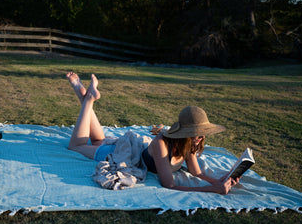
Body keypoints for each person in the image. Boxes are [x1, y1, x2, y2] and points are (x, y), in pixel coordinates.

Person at [66, 72, 238, 194]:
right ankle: (88, 99)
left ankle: (83, 93)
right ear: (185, 133)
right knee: (76, 146)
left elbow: (197, 173)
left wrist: (220, 181)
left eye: (202, 133)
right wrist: (212, 190)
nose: (201, 138)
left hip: (133, 148)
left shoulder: (190, 145)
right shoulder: (161, 144)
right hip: (118, 154)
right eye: (197, 133)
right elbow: (169, 185)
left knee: (98, 139)